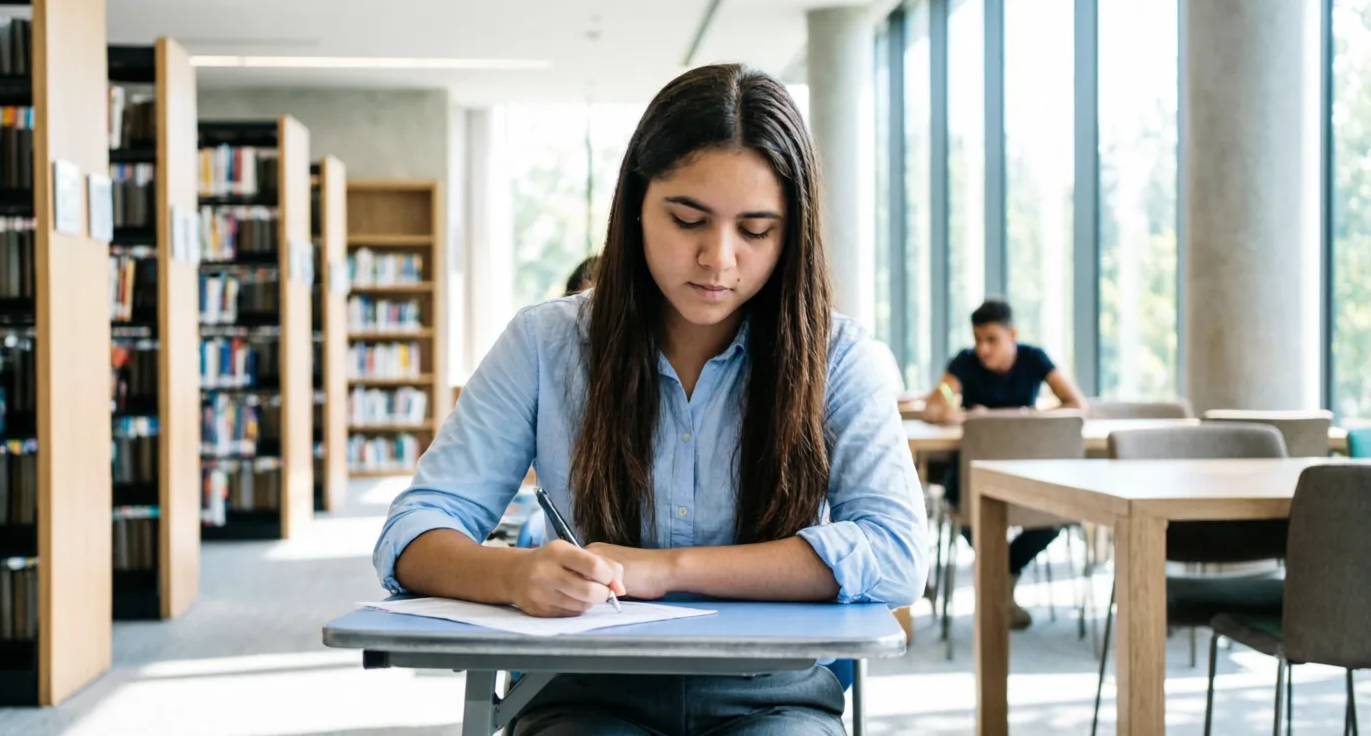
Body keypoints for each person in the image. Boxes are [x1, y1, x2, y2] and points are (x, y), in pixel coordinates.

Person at [374, 63, 928, 736]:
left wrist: (664, 570)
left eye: (756, 230)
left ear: (793, 233)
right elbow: (414, 530)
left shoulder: (840, 357)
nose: (718, 259)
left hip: (772, 694)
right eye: (688, 219)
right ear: (637, 201)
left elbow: (895, 553)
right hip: (582, 688)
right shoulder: (545, 344)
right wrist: (513, 575)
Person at [922, 297, 1087, 629]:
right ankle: (1004, 582)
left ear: (1012, 333)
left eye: (991, 340)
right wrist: (962, 416)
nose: (983, 348)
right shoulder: (964, 363)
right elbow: (932, 409)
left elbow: (1077, 405)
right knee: (967, 510)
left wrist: (1007, 417)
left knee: (1060, 510)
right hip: (971, 482)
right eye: (978, 339)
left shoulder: (1034, 359)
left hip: (1030, 474)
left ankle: (1000, 574)